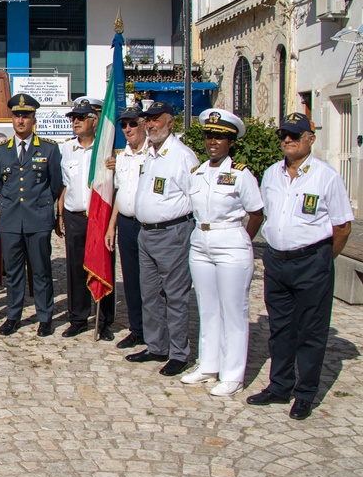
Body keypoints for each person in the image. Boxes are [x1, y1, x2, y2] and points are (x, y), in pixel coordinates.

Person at [247, 112, 353, 420]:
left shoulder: (326, 176)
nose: (288, 140)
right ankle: (279, 386)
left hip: (312, 261)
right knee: (280, 329)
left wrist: (322, 259)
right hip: (277, 261)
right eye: (284, 135)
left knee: (310, 330)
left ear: (310, 138)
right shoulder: (271, 174)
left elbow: (342, 226)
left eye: (295, 135)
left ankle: (305, 393)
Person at [180, 109, 264, 396]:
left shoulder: (241, 175)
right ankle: (208, 365)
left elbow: (256, 213)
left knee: (233, 311)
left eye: (220, 137)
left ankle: (232, 375)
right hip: (201, 240)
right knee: (207, 307)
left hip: (230, 240)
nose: (212, 141)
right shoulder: (198, 172)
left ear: (231, 142)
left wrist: (242, 239)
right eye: (209, 136)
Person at [125, 102, 199, 377]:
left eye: (157, 120)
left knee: (176, 297)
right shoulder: (151, 155)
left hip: (173, 233)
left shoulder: (182, 156)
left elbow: (196, 198)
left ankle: (179, 352)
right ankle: (156, 345)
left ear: (171, 123)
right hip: (146, 233)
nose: (151, 124)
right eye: (148, 120)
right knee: (151, 295)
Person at [0, 93, 63, 336]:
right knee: (13, 272)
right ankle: (13, 316)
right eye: (17, 115)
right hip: (11, 219)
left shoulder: (48, 149)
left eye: (26, 115)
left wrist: (43, 207)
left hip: (37, 219)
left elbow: (55, 185)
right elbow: (1, 185)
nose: (21, 120)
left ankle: (45, 316)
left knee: (41, 270)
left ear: (34, 119)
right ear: (12, 118)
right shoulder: (2, 151)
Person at [58, 96, 115, 340]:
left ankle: (104, 321)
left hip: (99, 218)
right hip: (74, 216)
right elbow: (63, 185)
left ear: (95, 121)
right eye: (73, 118)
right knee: (75, 269)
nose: (76, 122)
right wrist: (59, 214)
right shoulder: (66, 149)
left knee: (102, 265)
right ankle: (78, 318)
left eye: (81, 118)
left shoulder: (106, 150)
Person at [103, 106, 148, 349]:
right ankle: (137, 328)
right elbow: (119, 193)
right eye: (124, 125)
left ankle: (155, 330)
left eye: (132, 123)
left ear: (143, 124)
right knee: (131, 279)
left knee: (152, 281)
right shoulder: (121, 158)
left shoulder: (153, 153)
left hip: (150, 225)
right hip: (126, 224)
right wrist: (111, 226)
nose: (128, 129)